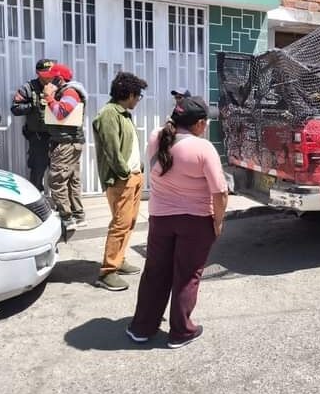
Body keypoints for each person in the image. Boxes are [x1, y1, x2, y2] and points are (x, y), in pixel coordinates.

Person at [127, 96, 228, 349]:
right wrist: (218, 222)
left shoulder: (155, 136)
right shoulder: (203, 148)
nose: (206, 126)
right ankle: (181, 331)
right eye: (205, 122)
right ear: (199, 123)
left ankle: (142, 327)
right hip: (195, 221)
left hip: (160, 219)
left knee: (155, 272)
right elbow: (220, 193)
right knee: (186, 275)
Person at [92, 72, 148, 291]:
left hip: (133, 176)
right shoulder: (108, 114)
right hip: (121, 179)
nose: (138, 100)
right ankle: (108, 272)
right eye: (138, 96)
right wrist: (124, 172)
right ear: (130, 94)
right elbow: (112, 150)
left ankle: (120, 259)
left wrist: (138, 168)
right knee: (120, 224)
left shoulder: (123, 113)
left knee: (129, 222)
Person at [42, 63, 88, 231]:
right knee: (71, 180)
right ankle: (77, 215)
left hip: (66, 144)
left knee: (57, 180)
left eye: (50, 79)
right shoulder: (68, 91)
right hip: (68, 142)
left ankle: (66, 218)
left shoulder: (70, 92)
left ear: (59, 79)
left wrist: (49, 97)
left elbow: (61, 113)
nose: (47, 82)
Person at [10, 59, 55, 191]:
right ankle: (37, 197)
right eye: (45, 73)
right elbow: (15, 108)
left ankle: (59, 201)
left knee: (58, 171)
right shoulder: (29, 87)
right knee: (37, 169)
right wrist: (34, 105)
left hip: (57, 136)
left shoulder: (58, 85)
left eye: (51, 73)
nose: (49, 76)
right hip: (38, 136)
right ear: (38, 73)